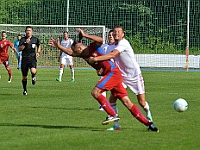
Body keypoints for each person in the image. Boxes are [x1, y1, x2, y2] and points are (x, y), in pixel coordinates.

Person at [49, 28, 159, 132]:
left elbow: (100, 40)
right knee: (127, 102)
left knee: (95, 92)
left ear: (79, 48)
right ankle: (149, 124)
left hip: (113, 73)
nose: (73, 54)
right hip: (113, 76)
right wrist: (58, 46)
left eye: (74, 51)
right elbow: (70, 52)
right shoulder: (82, 54)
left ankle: (112, 115)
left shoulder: (92, 48)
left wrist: (86, 35)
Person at [89, 25, 155, 130]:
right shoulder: (109, 47)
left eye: (118, 32)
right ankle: (116, 125)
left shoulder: (123, 43)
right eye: (114, 32)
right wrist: (100, 69)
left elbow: (112, 55)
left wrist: (95, 59)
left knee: (142, 102)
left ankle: (148, 113)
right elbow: (107, 60)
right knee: (112, 99)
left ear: (123, 34)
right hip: (121, 76)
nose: (116, 33)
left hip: (134, 75)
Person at [18, 26, 41, 95]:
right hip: (24, 59)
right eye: (27, 30)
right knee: (24, 77)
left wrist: (38, 52)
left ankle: (33, 77)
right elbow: (20, 49)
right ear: (25, 32)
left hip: (32, 58)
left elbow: (39, 45)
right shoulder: (22, 39)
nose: (28, 32)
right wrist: (25, 43)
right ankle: (25, 90)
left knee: (33, 71)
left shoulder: (35, 39)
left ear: (32, 31)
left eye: (30, 30)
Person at [99, 30, 115, 111]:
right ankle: (103, 104)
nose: (110, 36)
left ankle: (111, 104)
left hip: (114, 70)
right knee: (102, 86)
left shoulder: (117, 47)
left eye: (112, 35)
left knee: (114, 89)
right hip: (105, 69)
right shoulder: (103, 46)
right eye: (109, 35)